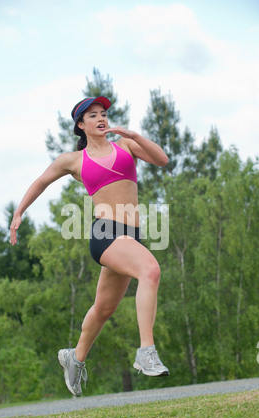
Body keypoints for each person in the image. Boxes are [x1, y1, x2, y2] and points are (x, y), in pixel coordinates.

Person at [10, 96, 170, 397]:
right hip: (106, 233)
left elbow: (161, 159)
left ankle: (75, 357)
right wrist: (19, 212)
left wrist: (134, 136)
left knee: (104, 308)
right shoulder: (72, 160)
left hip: (130, 236)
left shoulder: (126, 146)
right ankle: (146, 351)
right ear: (81, 125)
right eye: (93, 115)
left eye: (104, 114)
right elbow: (41, 182)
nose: (101, 119)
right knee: (150, 270)